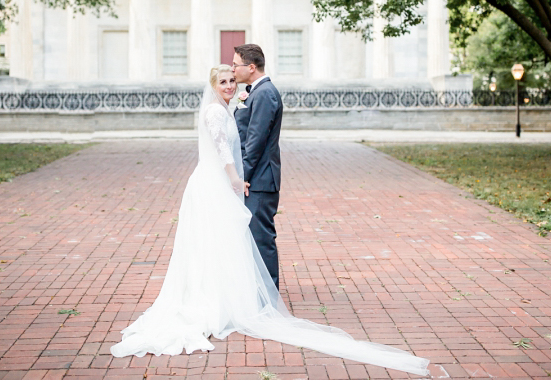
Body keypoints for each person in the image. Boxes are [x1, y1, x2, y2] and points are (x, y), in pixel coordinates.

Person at [110, 64, 429, 376]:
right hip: (214, 183)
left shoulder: (228, 107)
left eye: (231, 80)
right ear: (212, 85)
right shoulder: (215, 112)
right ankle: (214, 299)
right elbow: (223, 150)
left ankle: (223, 295)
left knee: (221, 240)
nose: (229, 86)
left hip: (218, 182)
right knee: (212, 239)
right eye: (223, 81)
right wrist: (237, 179)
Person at [232, 44, 283, 290]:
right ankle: (256, 292)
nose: (232, 69)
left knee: (261, 238)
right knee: (253, 237)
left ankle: (268, 297)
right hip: (258, 177)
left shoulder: (264, 94)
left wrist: (243, 177)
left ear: (251, 68)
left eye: (235, 64)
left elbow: (256, 141)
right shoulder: (256, 92)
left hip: (260, 180)